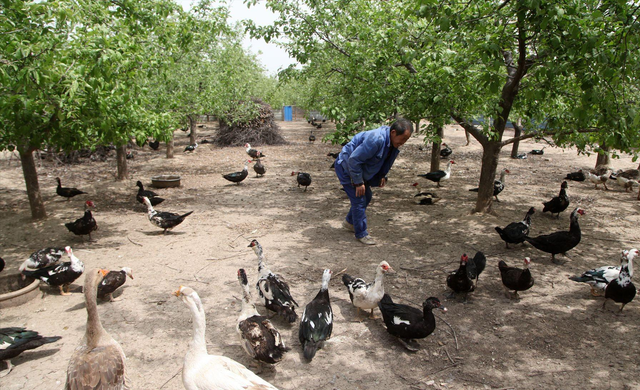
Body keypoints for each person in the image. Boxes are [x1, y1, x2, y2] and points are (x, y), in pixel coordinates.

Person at [334, 118, 413, 245]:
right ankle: (361, 233)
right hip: (347, 166)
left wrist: (382, 175)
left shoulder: (392, 143)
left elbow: (383, 160)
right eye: (403, 139)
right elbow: (353, 160)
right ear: (393, 133)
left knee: (367, 196)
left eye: (406, 140)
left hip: (358, 168)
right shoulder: (376, 139)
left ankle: (349, 222)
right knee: (359, 198)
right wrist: (358, 182)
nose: (403, 143)